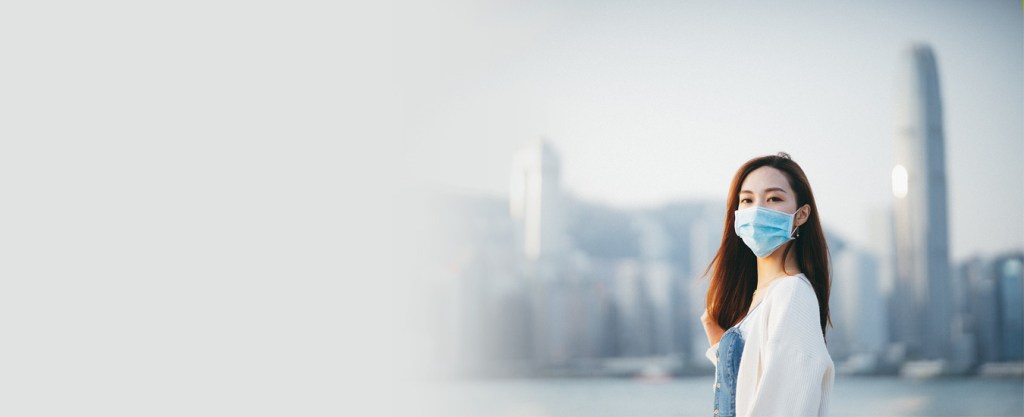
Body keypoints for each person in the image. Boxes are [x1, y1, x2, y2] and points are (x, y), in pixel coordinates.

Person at [698, 152, 835, 417]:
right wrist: (721, 344)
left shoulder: (792, 294)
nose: (757, 209)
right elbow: (748, 395)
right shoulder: (760, 299)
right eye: (747, 200)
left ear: (801, 214)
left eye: (773, 198)